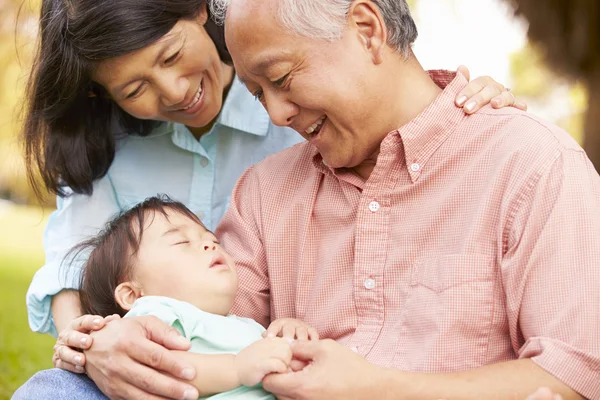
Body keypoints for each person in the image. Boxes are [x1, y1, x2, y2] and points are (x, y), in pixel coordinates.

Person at [46, 0, 599, 398]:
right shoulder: (268, 191)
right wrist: (111, 342)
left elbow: (577, 372)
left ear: (366, 28)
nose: (276, 115)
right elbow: (196, 326)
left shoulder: (529, 164)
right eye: (257, 93)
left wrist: (377, 388)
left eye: (282, 78)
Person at [71, 195, 317, 399]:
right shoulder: (157, 312)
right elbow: (153, 372)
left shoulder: (246, 325)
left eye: (212, 239)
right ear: (133, 294)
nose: (210, 245)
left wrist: (287, 336)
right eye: (181, 242)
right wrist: (237, 368)